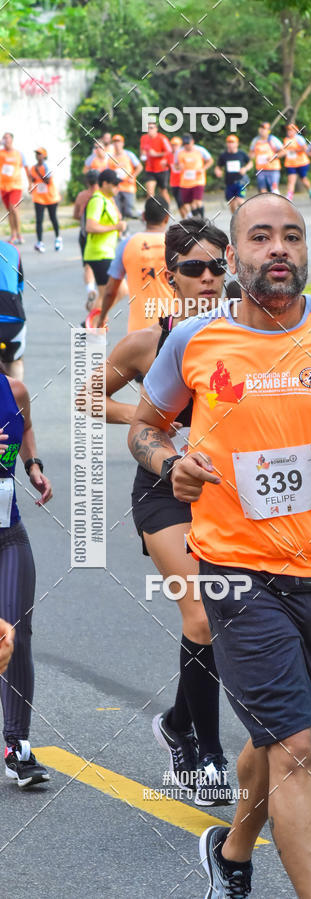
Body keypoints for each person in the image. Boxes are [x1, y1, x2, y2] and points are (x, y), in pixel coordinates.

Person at [129, 192, 311, 897]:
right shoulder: (194, 343)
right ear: (236, 257)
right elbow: (145, 426)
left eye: (292, 235)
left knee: (272, 737)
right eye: (261, 236)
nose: (278, 247)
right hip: (233, 573)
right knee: (296, 746)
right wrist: (169, 463)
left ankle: (230, 850)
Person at [94, 218, 235, 804]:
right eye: (194, 269)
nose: (207, 279)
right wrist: (153, 416)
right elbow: (88, 394)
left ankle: (177, 724)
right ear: (169, 276)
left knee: (227, 623)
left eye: (216, 268)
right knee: (201, 616)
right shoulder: (148, 343)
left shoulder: (243, 335)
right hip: (162, 490)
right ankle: (208, 757)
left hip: (230, 491)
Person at [0, 363, 53, 787]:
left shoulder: (14, 391)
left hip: (8, 535)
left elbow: (26, 427)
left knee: (14, 633)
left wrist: (32, 466)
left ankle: (17, 746)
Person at [98, 196, 171, 331]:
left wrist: (102, 318)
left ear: (143, 216)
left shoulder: (127, 244)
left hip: (139, 330)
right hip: (173, 327)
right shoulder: (178, 245)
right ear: (167, 218)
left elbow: (110, 291)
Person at [83, 169, 127, 312]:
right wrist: (115, 226)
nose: (117, 187)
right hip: (99, 253)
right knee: (109, 294)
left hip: (106, 253)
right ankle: (89, 326)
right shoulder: (97, 200)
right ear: (104, 183)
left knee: (118, 291)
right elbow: (90, 226)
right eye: (114, 184)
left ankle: (95, 322)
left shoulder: (108, 200)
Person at [73, 170, 100, 309]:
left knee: (88, 265)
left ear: (87, 182)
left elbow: (76, 215)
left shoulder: (81, 196)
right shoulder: (103, 197)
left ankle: (90, 289)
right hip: (101, 235)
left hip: (84, 235)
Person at [0, 239, 26, 380]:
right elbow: (20, 288)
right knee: (15, 362)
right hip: (13, 317)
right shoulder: (12, 249)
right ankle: (16, 401)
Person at [28, 148, 62, 253]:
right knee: (39, 220)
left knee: (53, 218)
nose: (37, 155)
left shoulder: (48, 166)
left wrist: (40, 172)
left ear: (44, 156)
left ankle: (58, 238)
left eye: (40, 154)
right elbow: (32, 180)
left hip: (51, 197)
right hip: (39, 197)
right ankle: (40, 242)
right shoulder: (32, 168)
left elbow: (47, 181)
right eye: (36, 154)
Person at [173, 134, 213, 219]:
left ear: (192, 142)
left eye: (188, 143)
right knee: (188, 204)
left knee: (197, 202)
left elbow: (210, 160)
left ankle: (202, 219)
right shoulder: (179, 152)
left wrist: (203, 169)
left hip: (198, 180)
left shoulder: (200, 150)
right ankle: (196, 220)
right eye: (185, 144)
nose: (186, 146)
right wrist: (178, 167)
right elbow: (175, 165)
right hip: (185, 182)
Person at [214, 134, 253, 212]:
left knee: (239, 200)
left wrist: (245, 169)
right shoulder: (224, 155)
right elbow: (218, 166)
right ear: (227, 144)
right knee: (232, 203)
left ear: (237, 144)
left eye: (232, 142)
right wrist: (218, 171)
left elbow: (250, 163)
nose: (231, 144)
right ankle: (235, 219)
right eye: (229, 142)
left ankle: (248, 214)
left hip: (241, 182)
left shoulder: (241, 154)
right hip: (229, 183)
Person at [107, 134, 142, 219]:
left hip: (128, 187)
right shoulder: (110, 157)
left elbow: (139, 167)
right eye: (115, 142)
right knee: (117, 213)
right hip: (116, 188)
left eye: (119, 142)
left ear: (122, 143)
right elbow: (108, 172)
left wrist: (133, 176)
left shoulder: (129, 154)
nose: (117, 144)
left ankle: (142, 216)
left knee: (129, 212)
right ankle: (122, 230)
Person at [0, 133, 26, 245]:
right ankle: (13, 234)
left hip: (16, 186)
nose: (5, 140)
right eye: (4, 138)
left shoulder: (18, 154)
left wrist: (30, 183)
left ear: (12, 140)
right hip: (3, 186)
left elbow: (26, 167)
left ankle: (19, 234)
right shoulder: (1, 153)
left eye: (7, 138)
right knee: (10, 211)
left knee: (13, 208)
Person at [280, 123, 311, 201]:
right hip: (290, 163)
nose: (289, 132)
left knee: (303, 179)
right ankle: (289, 197)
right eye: (288, 130)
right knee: (291, 180)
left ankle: (310, 191)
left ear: (295, 131)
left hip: (301, 162)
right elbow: (284, 151)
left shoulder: (299, 139)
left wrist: (294, 150)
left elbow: (304, 148)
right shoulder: (286, 140)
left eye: (291, 130)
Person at [139, 122, 172, 203]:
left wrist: (156, 154)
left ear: (156, 129)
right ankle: (151, 212)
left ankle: (167, 212)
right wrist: (143, 155)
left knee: (163, 191)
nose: (149, 130)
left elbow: (170, 152)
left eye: (152, 128)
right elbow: (142, 151)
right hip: (150, 169)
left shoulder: (162, 138)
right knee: (149, 193)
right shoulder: (144, 138)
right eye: (148, 128)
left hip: (162, 169)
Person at [249, 122, 283, 195]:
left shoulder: (273, 139)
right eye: (261, 128)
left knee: (274, 189)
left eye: (264, 129)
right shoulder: (255, 141)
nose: (262, 130)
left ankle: (277, 204)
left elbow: (284, 152)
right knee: (262, 191)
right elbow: (251, 153)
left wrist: (273, 157)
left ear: (268, 130)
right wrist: (251, 157)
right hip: (260, 170)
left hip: (273, 169)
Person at [169, 136, 183, 211]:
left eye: (176, 145)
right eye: (173, 145)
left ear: (180, 145)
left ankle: (190, 217)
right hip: (174, 182)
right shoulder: (169, 155)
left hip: (183, 182)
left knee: (183, 201)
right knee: (179, 204)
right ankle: (184, 220)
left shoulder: (183, 155)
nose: (174, 147)